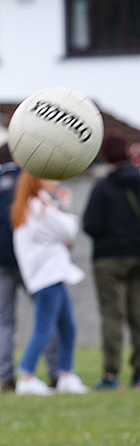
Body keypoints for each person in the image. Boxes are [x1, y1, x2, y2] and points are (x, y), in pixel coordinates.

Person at [0, 145, 58, 391]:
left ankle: (7, 377)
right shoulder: (29, 181)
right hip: (33, 261)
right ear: (18, 157)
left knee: (5, 320)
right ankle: (56, 373)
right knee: (45, 315)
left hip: (0, 262)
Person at [11, 172, 88, 395]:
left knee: (68, 326)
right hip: (47, 276)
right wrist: (66, 205)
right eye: (50, 177)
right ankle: (26, 376)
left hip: (51, 275)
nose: (56, 182)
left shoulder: (34, 206)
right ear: (37, 181)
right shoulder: (37, 206)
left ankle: (66, 374)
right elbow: (69, 230)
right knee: (44, 329)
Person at [82, 132, 140, 390]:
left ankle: (111, 374)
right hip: (137, 255)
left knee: (111, 316)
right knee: (138, 316)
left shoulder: (102, 188)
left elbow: (90, 225)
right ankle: (139, 376)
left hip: (108, 259)